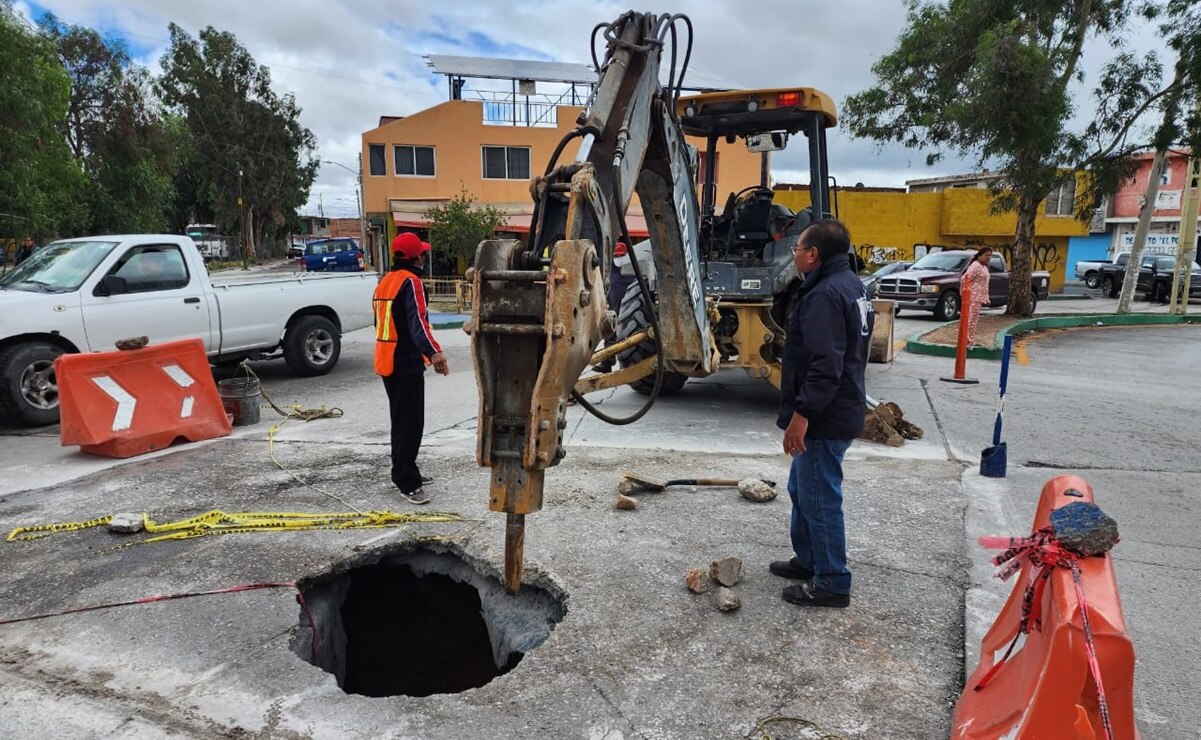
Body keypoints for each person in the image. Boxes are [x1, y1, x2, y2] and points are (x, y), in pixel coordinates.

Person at [772, 218, 873, 608]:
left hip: (825, 415)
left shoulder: (825, 295)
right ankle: (809, 560)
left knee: (819, 496)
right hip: (840, 405)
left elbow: (824, 366)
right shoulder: (850, 285)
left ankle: (832, 580)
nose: (794, 252)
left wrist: (802, 416)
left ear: (813, 254)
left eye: (798, 247)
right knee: (803, 487)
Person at [373, 232, 449, 505]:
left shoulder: (385, 282)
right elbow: (418, 323)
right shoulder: (411, 282)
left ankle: (404, 471)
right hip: (405, 362)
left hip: (386, 360)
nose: (425, 257)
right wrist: (435, 352)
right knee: (411, 423)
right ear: (417, 257)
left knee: (400, 421)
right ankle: (407, 481)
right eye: (423, 253)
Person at [593, 240, 637, 373]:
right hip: (624, 287)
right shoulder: (625, 259)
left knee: (612, 321)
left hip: (617, 288)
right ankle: (611, 360)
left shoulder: (615, 258)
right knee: (619, 322)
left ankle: (608, 361)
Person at [960, 247, 992, 347]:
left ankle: (970, 339)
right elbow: (965, 278)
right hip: (971, 297)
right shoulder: (975, 266)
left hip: (978, 299)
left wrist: (986, 298)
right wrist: (965, 293)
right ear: (979, 256)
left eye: (990, 256)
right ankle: (966, 340)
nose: (988, 257)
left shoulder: (984, 267)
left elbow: (984, 284)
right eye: (986, 255)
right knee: (969, 319)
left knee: (974, 320)